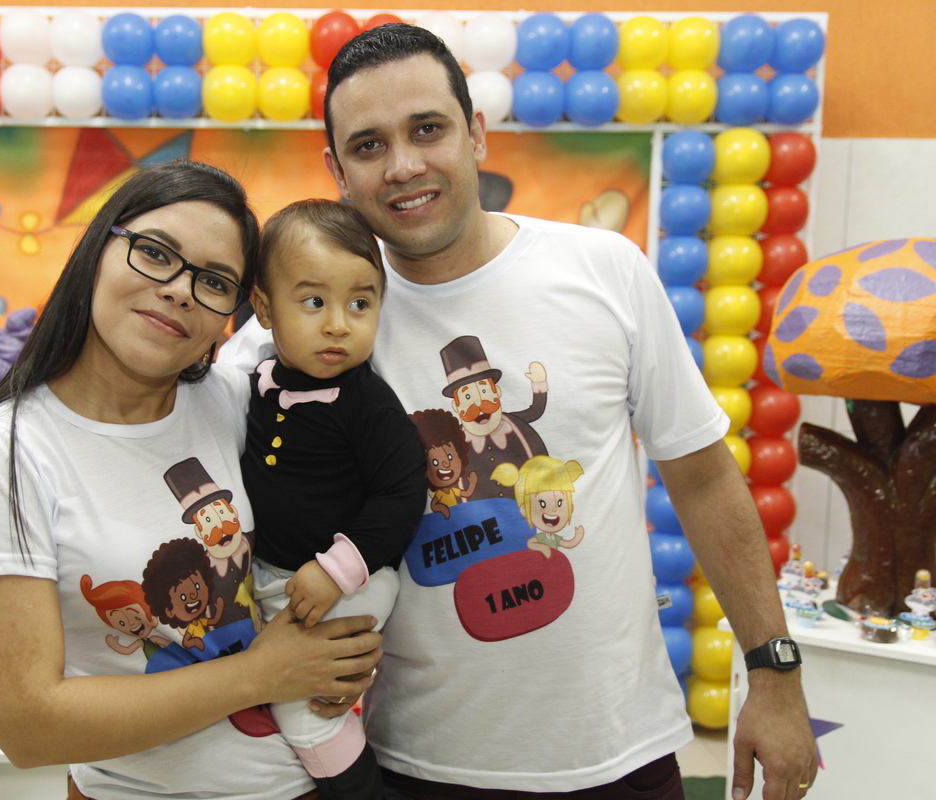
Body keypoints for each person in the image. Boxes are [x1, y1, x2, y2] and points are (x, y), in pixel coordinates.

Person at [220, 24, 818, 800]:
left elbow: (702, 479)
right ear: (336, 170)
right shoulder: (299, 335)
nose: (403, 166)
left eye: (427, 129)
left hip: (620, 757)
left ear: (476, 134)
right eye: (368, 145)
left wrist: (774, 671)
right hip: (414, 765)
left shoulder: (602, 271)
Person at [0, 160, 382, 800]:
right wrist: (262, 674)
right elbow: (27, 727)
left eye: (214, 281)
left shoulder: (236, 401)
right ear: (98, 249)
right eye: (155, 253)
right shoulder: (5, 449)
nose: (179, 290)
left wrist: (347, 641)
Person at [241, 199, 427, 799]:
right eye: (314, 302)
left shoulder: (365, 402)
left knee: (306, 716)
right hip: (281, 578)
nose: (339, 325)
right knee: (267, 688)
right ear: (263, 308)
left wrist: (336, 570)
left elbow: (403, 492)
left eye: (360, 304)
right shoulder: (259, 381)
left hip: (350, 579)